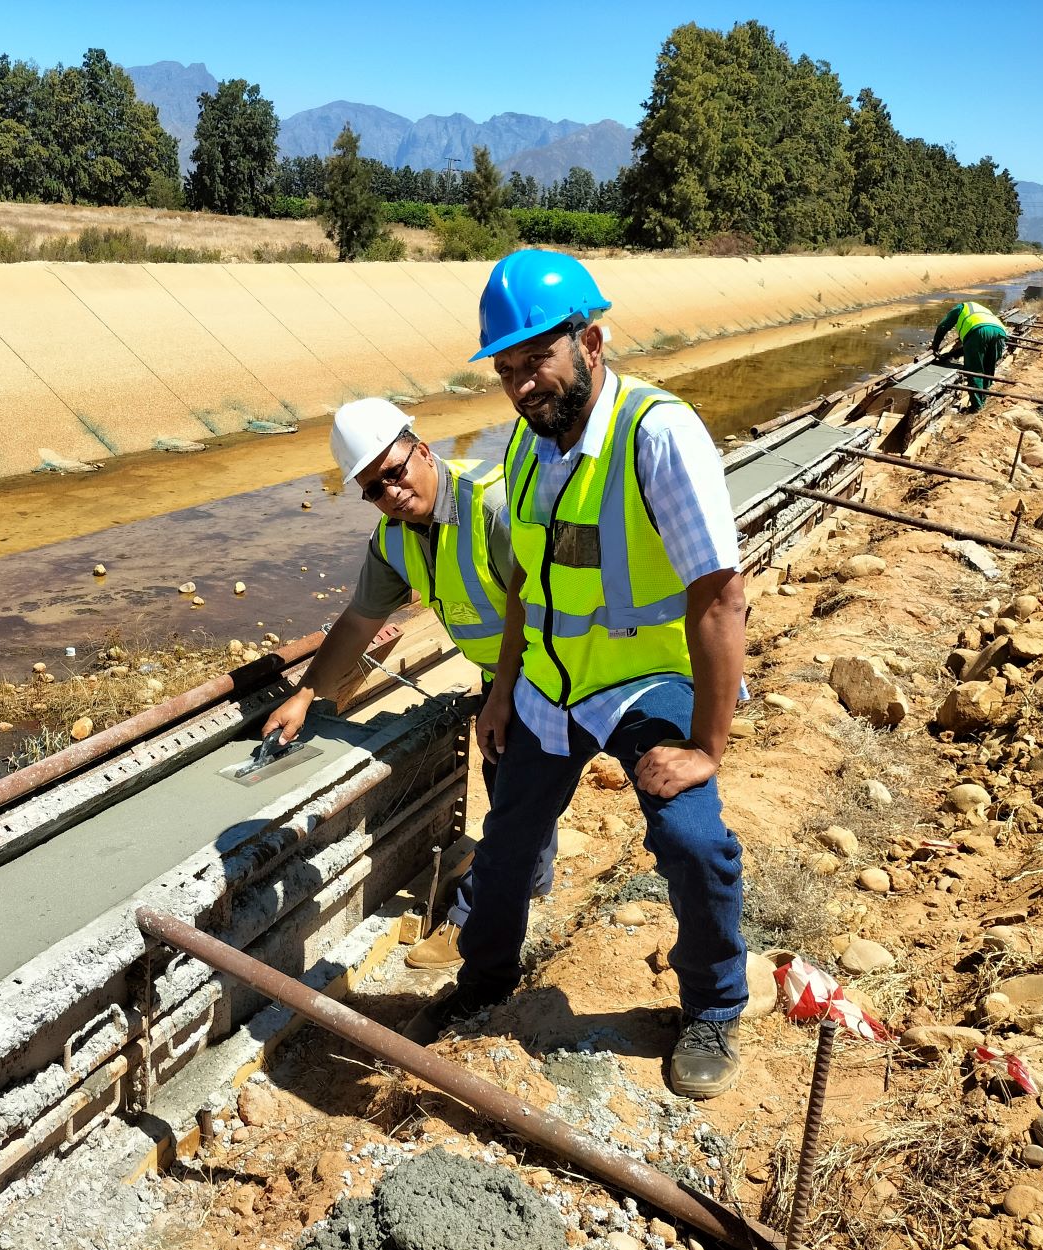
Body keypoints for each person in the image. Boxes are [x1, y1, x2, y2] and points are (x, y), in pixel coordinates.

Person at [422, 248, 750, 1100]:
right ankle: (485, 982)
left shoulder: (658, 435)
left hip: (643, 680)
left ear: (591, 343)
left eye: (538, 360)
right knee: (507, 850)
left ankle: (714, 1005)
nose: (523, 383)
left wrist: (707, 747)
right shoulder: (527, 453)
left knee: (691, 838)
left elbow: (719, 597)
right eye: (508, 368)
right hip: (550, 686)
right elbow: (528, 585)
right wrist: (502, 693)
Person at [262, 397, 557, 972]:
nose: (390, 492)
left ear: (421, 451)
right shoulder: (395, 539)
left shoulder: (492, 507)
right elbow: (357, 622)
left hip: (555, 670)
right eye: (373, 488)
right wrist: (305, 692)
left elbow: (540, 608)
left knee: (516, 804)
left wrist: (504, 696)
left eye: (395, 473)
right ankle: (531, 878)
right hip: (502, 674)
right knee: (508, 783)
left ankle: (473, 927)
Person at [931, 300, 1007, 412]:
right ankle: (983, 399)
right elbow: (968, 348)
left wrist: (935, 346)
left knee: (975, 371)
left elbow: (943, 326)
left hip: (978, 331)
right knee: (988, 368)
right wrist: (950, 355)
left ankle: (976, 407)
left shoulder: (960, 308)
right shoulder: (980, 309)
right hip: (1000, 332)